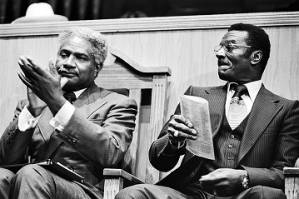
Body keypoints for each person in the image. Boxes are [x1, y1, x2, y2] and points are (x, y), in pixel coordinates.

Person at [115, 23, 299, 199]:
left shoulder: (286, 109)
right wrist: (173, 142)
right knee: (130, 195)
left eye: (229, 47)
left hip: (246, 194)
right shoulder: (197, 95)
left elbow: (282, 173)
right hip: (191, 193)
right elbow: (159, 161)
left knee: (268, 196)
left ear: (255, 57)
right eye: (219, 47)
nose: (219, 53)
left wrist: (244, 177)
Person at [0, 27, 137, 199]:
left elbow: (110, 153)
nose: (68, 63)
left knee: (31, 174)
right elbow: (6, 160)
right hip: (31, 185)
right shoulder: (31, 103)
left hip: (83, 190)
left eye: (80, 57)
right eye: (64, 54)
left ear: (97, 67)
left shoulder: (118, 103)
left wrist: (56, 102)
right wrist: (32, 111)